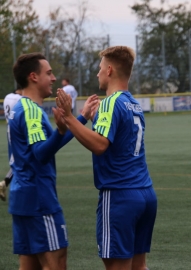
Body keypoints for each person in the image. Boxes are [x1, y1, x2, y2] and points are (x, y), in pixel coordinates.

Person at [56, 46, 157, 270]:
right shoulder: (133, 104)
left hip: (120, 195)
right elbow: (117, 142)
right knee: (139, 266)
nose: (97, 73)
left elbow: (100, 145)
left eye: (100, 68)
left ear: (109, 70)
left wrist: (70, 118)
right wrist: (92, 121)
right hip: (145, 193)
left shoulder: (110, 102)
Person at [8, 52, 98, 270]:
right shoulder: (29, 110)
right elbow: (41, 153)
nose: (54, 78)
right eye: (48, 73)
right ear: (33, 77)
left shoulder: (25, 108)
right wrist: (59, 131)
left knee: (29, 266)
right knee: (56, 264)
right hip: (39, 200)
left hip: (23, 198)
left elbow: (47, 145)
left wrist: (81, 117)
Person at [0, 88, 22, 201]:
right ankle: (5, 184)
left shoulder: (8, 96)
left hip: (10, 129)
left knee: (15, 160)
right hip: (18, 131)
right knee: (19, 160)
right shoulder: (21, 99)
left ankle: (5, 184)